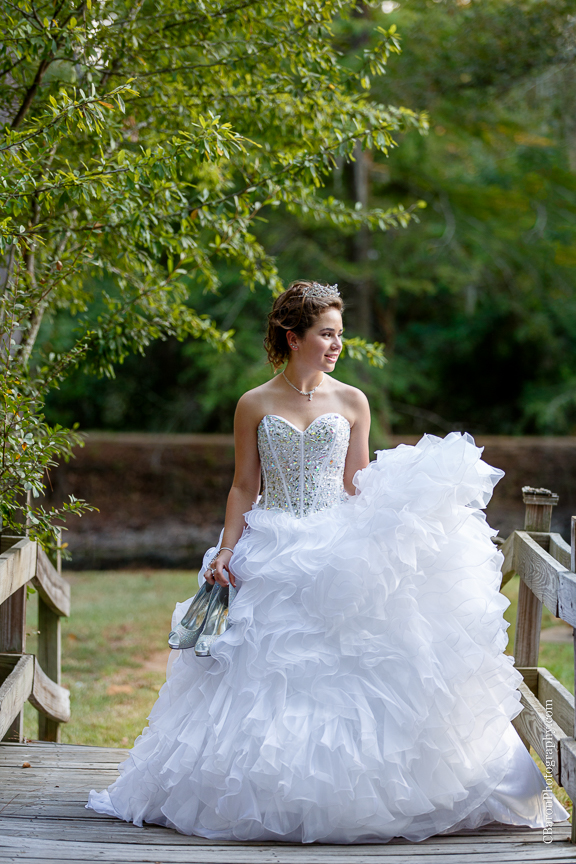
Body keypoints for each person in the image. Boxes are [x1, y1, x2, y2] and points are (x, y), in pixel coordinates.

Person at [87, 280, 569, 843]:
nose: (337, 344)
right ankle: (263, 793)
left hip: (335, 545)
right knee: (263, 670)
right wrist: (226, 549)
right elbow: (244, 487)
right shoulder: (254, 403)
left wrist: (403, 521)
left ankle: (366, 796)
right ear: (292, 337)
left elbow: (357, 484)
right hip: (269, 543)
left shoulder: (353, 401)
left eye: (340, 334)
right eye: (326, 333)